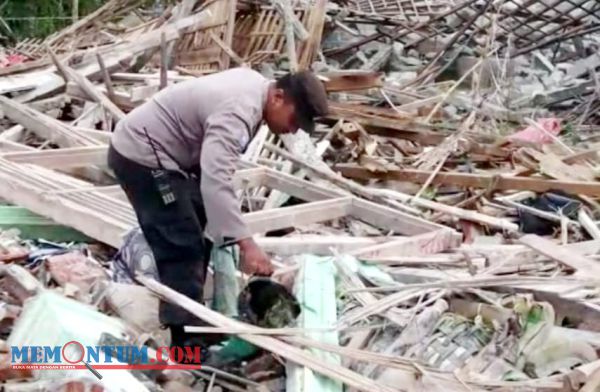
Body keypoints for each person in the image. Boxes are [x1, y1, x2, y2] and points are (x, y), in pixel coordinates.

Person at [107, 67, 329, 348]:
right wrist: (248, 245)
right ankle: (185, 341)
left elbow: (213, 177)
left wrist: (229, 232)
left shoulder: (255, 86)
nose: (294, 129)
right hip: (142, 156)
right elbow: (216, 182)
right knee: (181, 242)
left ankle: (195, 311)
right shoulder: (237, 113)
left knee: (201, 221)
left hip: (169, 155)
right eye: (296, 119)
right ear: (278, 97)